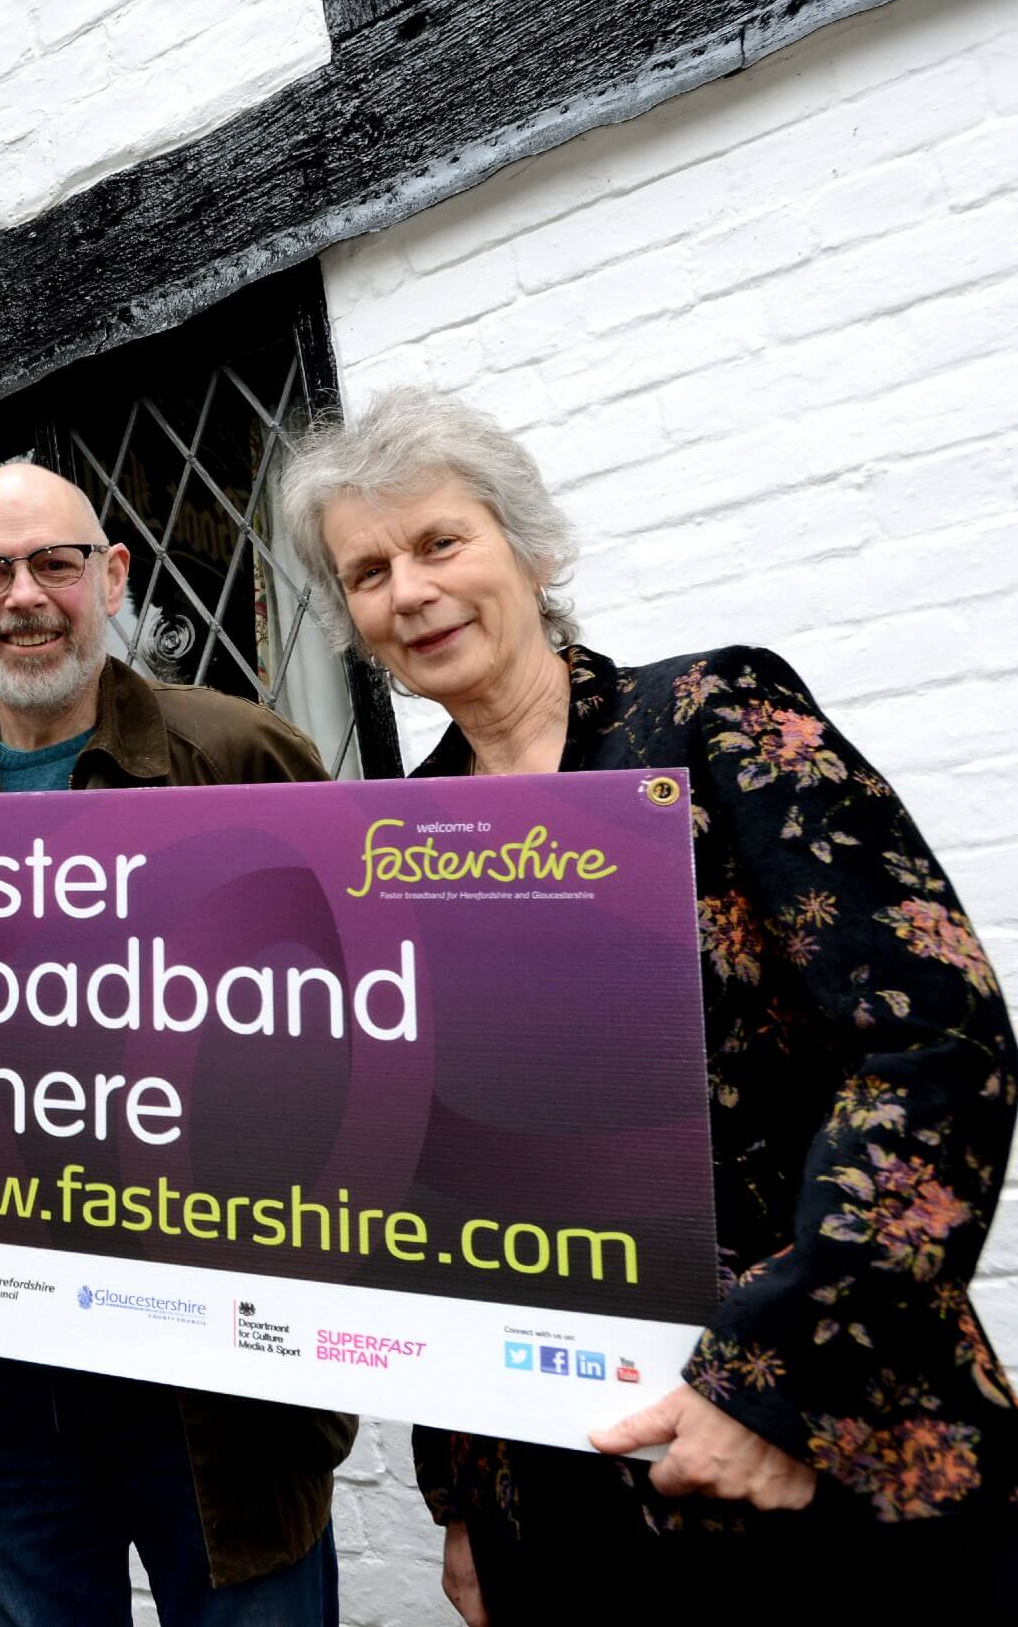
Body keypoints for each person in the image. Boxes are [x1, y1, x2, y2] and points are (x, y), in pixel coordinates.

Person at [279, 386, 1018, 1623]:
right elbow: (435, 1175)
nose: (408, 590)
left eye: (439, 543)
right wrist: (461, 1497)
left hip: (815, 1445)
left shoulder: (710, 722)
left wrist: (767, 1388)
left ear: (533, 548)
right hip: (554, 1486)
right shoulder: (400, 838)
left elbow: (933, 1042)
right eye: (367, 570)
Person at [0, 463, 355, 1627]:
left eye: (54, 562)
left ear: (113, 576)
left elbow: (361, 1031)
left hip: (207, 1370)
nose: (23, 595)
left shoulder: (243, 753)